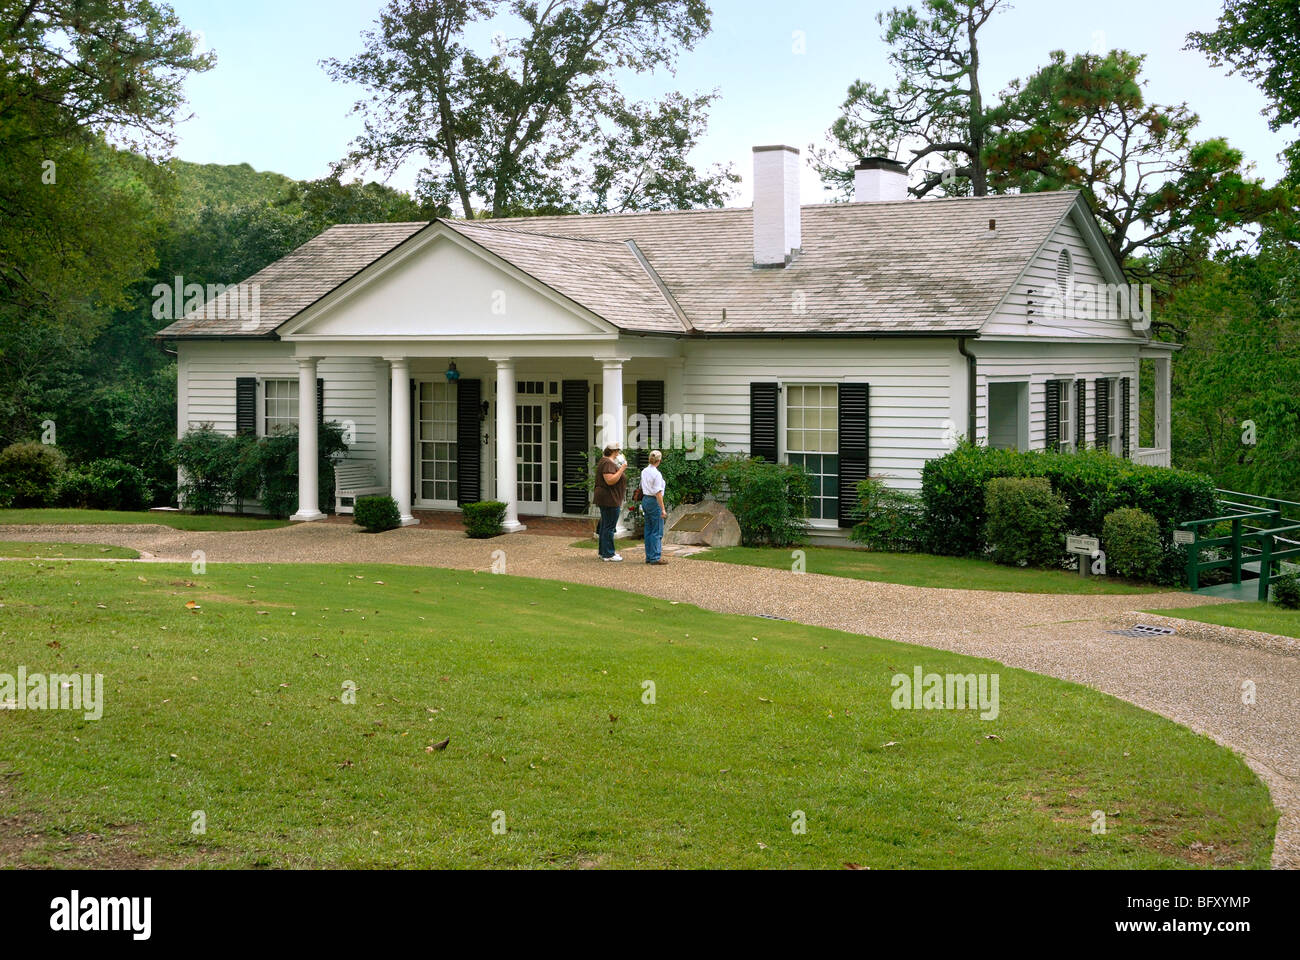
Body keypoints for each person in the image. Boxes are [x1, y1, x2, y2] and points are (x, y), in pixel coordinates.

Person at [593, 442, 627, 561]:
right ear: (615, 451)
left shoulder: (605, 461)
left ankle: (603, 552)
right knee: (609, 527)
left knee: (605, 525)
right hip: (609, 498)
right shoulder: (607, 462)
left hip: (607, 498)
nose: (619, 453)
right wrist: (622, 469)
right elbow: (610, 480)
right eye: (618, 451)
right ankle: (609, 554)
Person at [640, 450, 669, 565]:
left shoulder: (644, 471)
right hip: (653, 500)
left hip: (645, 499)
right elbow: (658, 493)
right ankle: (655, 557)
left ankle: (649, 555)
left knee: (648, 529)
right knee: (657, 530)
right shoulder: (657, 474)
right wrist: (663, 509)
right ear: (659, 460)